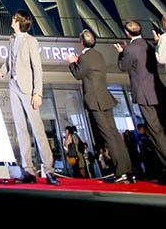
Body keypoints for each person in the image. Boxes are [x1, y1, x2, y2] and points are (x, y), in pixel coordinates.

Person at [0, 10, 59, 185]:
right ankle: (28, 171)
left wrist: (37, 92)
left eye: (14, 18)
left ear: (18, 21)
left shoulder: (31, 41)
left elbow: (37, 67)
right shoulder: (11, 40)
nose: (12, 19)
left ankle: (50, 170)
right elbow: (8, 64)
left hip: (27, 89)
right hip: (13, 87)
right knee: (20, 128)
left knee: (37, 128)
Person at [66, 29, 132, 183]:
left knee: (108, 136)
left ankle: (120, 172)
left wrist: (71, 62)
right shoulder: (98, 55)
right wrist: (78, 62)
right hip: (104, 98)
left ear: (82, 42)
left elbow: (78, 74)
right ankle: (127, 170)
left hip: (95, 101)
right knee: (115, 134)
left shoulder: (84, 57)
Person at [115, 20, 166, 183]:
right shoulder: (149, 45)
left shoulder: (130, 49)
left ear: (128, 33)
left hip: (144, 95)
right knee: (160, 129)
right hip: (157, 90)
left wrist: (121, 52)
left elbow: (123, 66)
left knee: (155, 132)